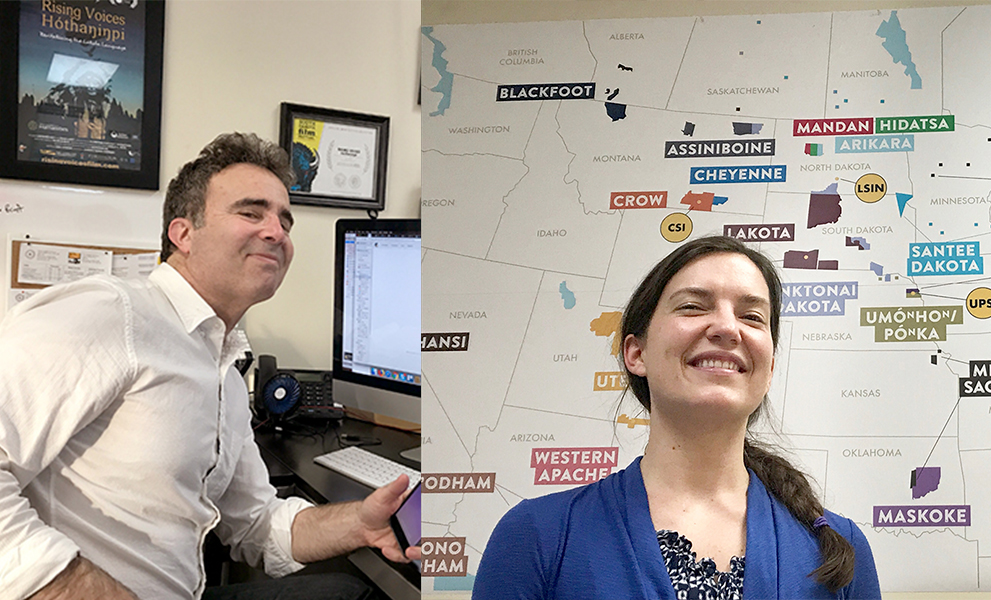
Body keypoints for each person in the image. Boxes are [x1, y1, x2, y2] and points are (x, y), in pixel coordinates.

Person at [0, 133, 417, 600]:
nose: (276, 232)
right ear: (183, 234)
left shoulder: (220, 368)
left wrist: (360, 523)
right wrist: (70, 586)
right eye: (250, 212)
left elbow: (258, 524)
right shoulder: (110, 313)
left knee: (350, 594)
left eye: (285, 220)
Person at [474, 236, 881, 599]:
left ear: (770, 366)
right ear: (636, 353)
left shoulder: (838, 549)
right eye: (692, 306)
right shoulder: (536, 536)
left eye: (752, 316)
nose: (726, 327)